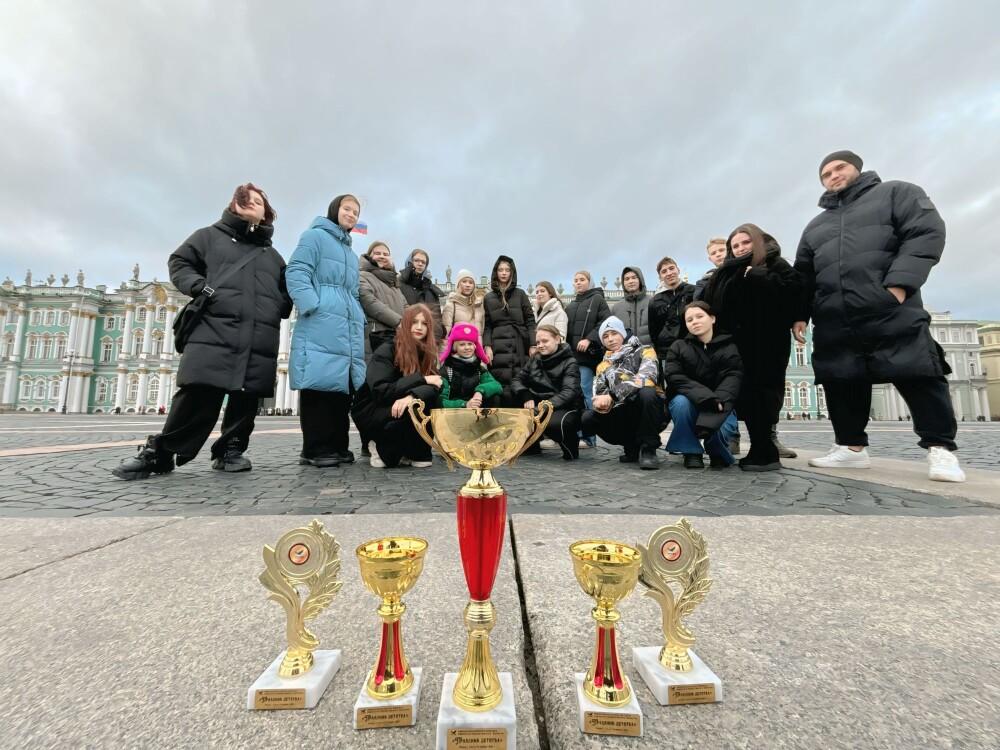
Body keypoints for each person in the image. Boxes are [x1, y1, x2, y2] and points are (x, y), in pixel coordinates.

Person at [794, 150, 965, 482]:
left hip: (889, 307)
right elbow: (804, 275)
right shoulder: (816, 226)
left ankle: (941, 449)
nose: (832, 176)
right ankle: (850, 447)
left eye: (838, 168)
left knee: (918, 373)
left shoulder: (897, 193)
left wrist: (899, 285)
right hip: (834, 316)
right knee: (840, 380)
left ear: (857, 168)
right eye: (825, 174)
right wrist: (800, 314)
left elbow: (926, 232)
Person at [112, 183, 292, 480]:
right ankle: (162, 452)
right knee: (198, 391)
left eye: (258, 201)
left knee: (246, 397)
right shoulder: (208, 236)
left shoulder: (272, 256)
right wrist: (199, 287)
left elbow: (287, 290)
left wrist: (277, 307)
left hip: (259, 334)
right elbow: (180, 262)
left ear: (266, 213)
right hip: (213, 329)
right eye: (246, 199)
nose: (251, 203)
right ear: (233, 204)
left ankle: (230, 450)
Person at [703, 224, 802, 471]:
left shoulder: (774, 264)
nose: (740, 248)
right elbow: (710, 301)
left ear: (757, 241)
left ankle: (765, 452)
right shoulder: (726, 271)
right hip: (736, 344)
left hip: (767, 343)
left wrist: (759, 276)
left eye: (745, 243)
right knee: (745, 396)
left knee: (764, 395)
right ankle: (756, 449)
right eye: (734, 245)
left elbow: (796, 293)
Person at [286, 194, 367, 468]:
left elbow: (353, 291)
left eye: (356, 212)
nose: (352, 215)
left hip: (345, 322)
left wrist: (357, 315)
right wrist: (312, 305)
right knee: (319, 383)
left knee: (340, 386)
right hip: (322, 320)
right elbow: (296, 271)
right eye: (347, 209)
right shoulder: (314, 237)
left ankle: (337, 445)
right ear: (334, 210)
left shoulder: (351, 254)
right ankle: (315, 448)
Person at [351, 304, 442, 468]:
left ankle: (413, 450)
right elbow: (381, 391)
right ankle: (378, 443)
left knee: (430, 399)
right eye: (414, 322)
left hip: (401, 404)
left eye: (424, 324)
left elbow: (435, 385)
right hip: (373, 408)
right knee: (389, 460)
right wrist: (421, 380)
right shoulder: (386, 350)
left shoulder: (427, 354)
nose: (419, 327)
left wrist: (412, 396)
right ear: (406, 324)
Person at [664, 301, 742, 469]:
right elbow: (675, 377)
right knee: (680, 403)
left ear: (712, 318)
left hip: (721, 402)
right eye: (689, 319)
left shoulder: (729, 347)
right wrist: (706, 397)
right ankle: (691, 452)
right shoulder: (678, 347)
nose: (695, 322)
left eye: (700, 316)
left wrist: (717, 401)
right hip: (692, 402)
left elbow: (733, 377)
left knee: (720, 434)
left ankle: (717, 451)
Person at [581, 316, 665, 470]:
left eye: (614, 333)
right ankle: (630, 445)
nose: (610, 339)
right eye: (605, 336)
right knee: (589, 417)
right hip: (622, 412)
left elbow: (646, 378)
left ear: (622, 333)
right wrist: (601, 403)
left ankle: (648, 448)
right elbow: (602, 393)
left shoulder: (645, 350)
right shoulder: (602, 365)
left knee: (647, 392)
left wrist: (612, 396)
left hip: (650, 409)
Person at [512, 324, 585, 460]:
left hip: (565, 407)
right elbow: (517, 380)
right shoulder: (535, 358)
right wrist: (525, 394)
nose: (540, 345)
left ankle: (570, 445)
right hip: (539, 403)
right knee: (510, 398)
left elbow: (569, 392)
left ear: (557, 339)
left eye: (545, 341)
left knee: (554, 423)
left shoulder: (570, 362)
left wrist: (543, 407)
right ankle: (531, 446)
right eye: (538, 342)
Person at [565, 270, 611, 446]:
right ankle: (575, 433)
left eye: (582, 280)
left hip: (587, 357)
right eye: (575, 280)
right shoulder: (570, 305)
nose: (578, 283)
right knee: (573, 395)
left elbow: (605, 322)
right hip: (572, 358)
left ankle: (589, 436)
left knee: (585, 392)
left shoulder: (597, 299)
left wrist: (589, 338)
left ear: (590, 282)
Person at [482, 255, 536, 404]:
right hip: (497, 346)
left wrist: (532, 344)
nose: (504, 273)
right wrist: (487, 346)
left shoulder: (521, 294)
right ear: (496, 272)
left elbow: (530, 321)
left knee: (521, 383)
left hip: (519, 343)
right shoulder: (488, 297)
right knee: (500, 385)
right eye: (501, 270)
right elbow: (487, 325)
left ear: (512, 272)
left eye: (507, 270)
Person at [648, 256, 696, 375]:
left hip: (693, 348)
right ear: (660, 277)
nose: (669, 273)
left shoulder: (693, 291)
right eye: (664, 271)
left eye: (671, 268)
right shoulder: (655, 301)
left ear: (678, 270)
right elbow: (653, 331)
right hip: (667, 353)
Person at [358, 241, 407, 354]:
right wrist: (399, 322)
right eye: (377, 253)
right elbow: (369, 301)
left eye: (385, 254)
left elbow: (405, 305)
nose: (382, 256)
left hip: (397, 337)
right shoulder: (362, 275)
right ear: (369, 256)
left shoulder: (393, 282)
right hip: (376, 336)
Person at [438, 323, 503, 409]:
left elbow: (497, 386)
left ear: (475, 346)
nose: (467, 347)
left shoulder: (479, 369)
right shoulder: (446, 371)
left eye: (470, 344)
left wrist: (480, 391)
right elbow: (441, 401)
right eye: (462, 344)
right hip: (455, 414)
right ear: (455, 347)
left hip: (476, 410)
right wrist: (464, 404)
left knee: (495, 397)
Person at [399, 248, 445, 342]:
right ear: (409, 262)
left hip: (428, 343)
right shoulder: (398, 284)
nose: (420, 264)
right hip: (405, 340)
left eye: (423, 262)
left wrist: (434, 341)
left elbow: (436, 319)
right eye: (416, 260)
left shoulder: (431, 290)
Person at [611, 267, 651, 345]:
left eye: (634, 278)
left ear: (640, 280)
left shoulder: (652, 302)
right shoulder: (616, 308)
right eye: (627, 279)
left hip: (650, 353)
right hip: (625, 354)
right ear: (623, 283)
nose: (631, 281)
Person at [442, 268, 485, 336]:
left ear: (474, 286)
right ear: (458, 284)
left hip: (475, 346)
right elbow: (445, 333)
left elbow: (481, 333)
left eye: (471, 282)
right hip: (457, 345)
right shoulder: (451, 304)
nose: (467, 285)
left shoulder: (479, 305)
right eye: (464, 281)